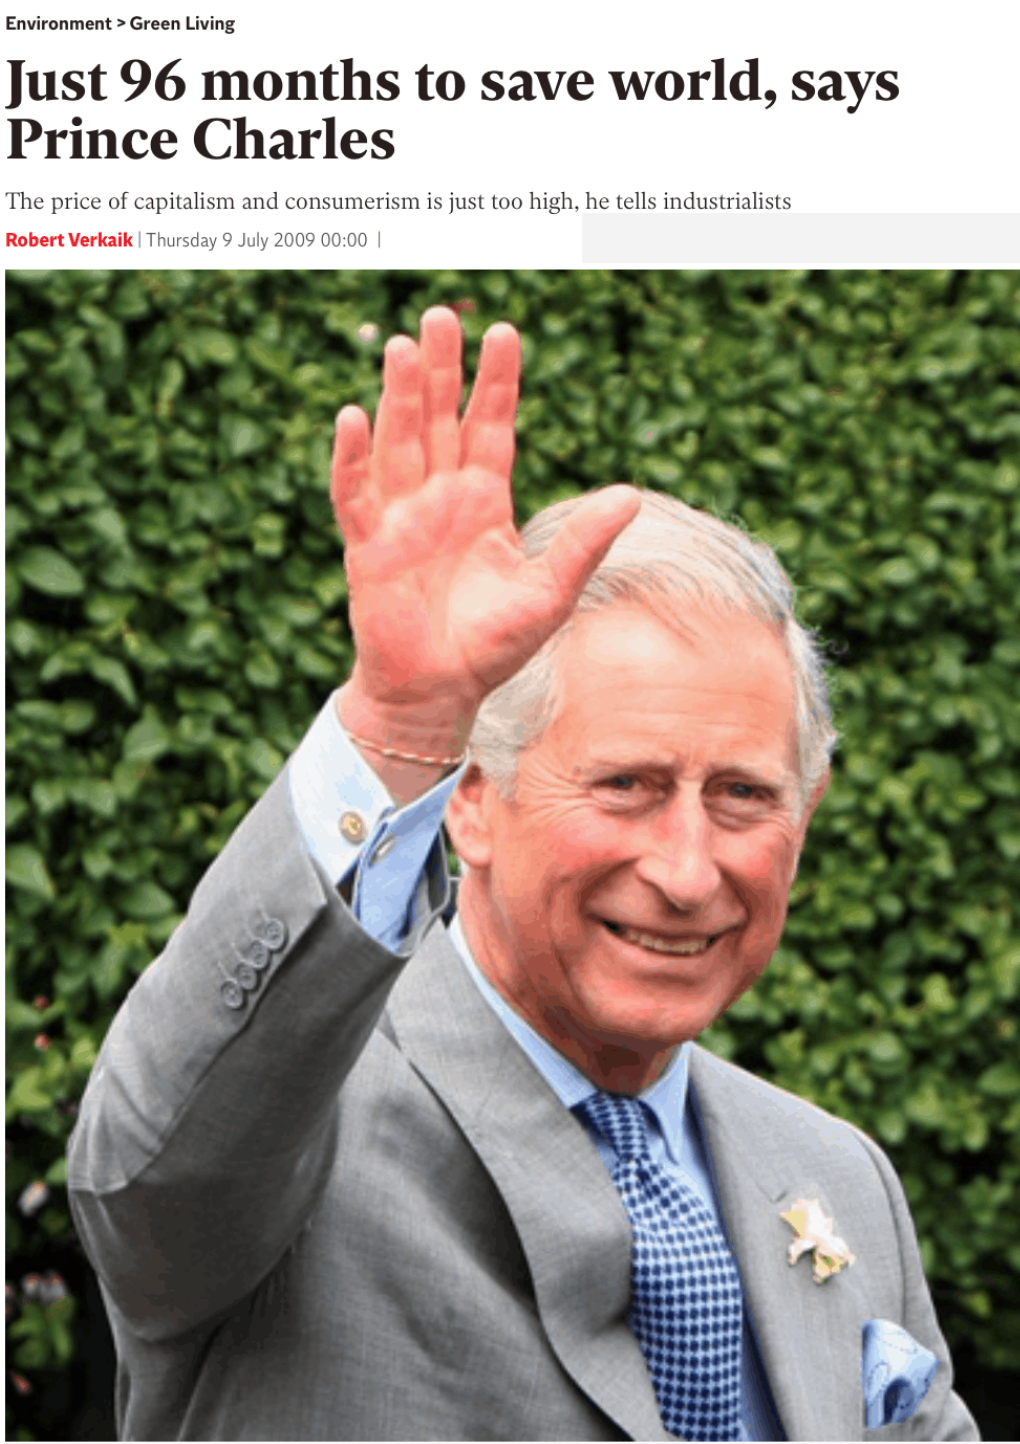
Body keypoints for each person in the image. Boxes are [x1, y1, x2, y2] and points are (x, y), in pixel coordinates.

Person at [68, 308, 977, 1441]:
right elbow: (148, 1166)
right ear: (472, 797)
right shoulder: (293, 1133)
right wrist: (401, 722)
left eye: (744, 794)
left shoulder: (838, 1175)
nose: (687, 869)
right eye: (626, 785)